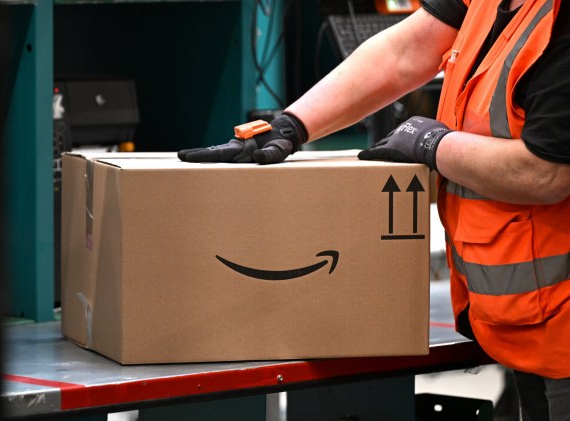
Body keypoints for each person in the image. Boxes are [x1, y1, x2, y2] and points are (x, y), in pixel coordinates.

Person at [179, 0, 570, 418]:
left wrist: (434, 145)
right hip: (529, 328)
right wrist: (291, 126)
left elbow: (547, 173)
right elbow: (406, 51)